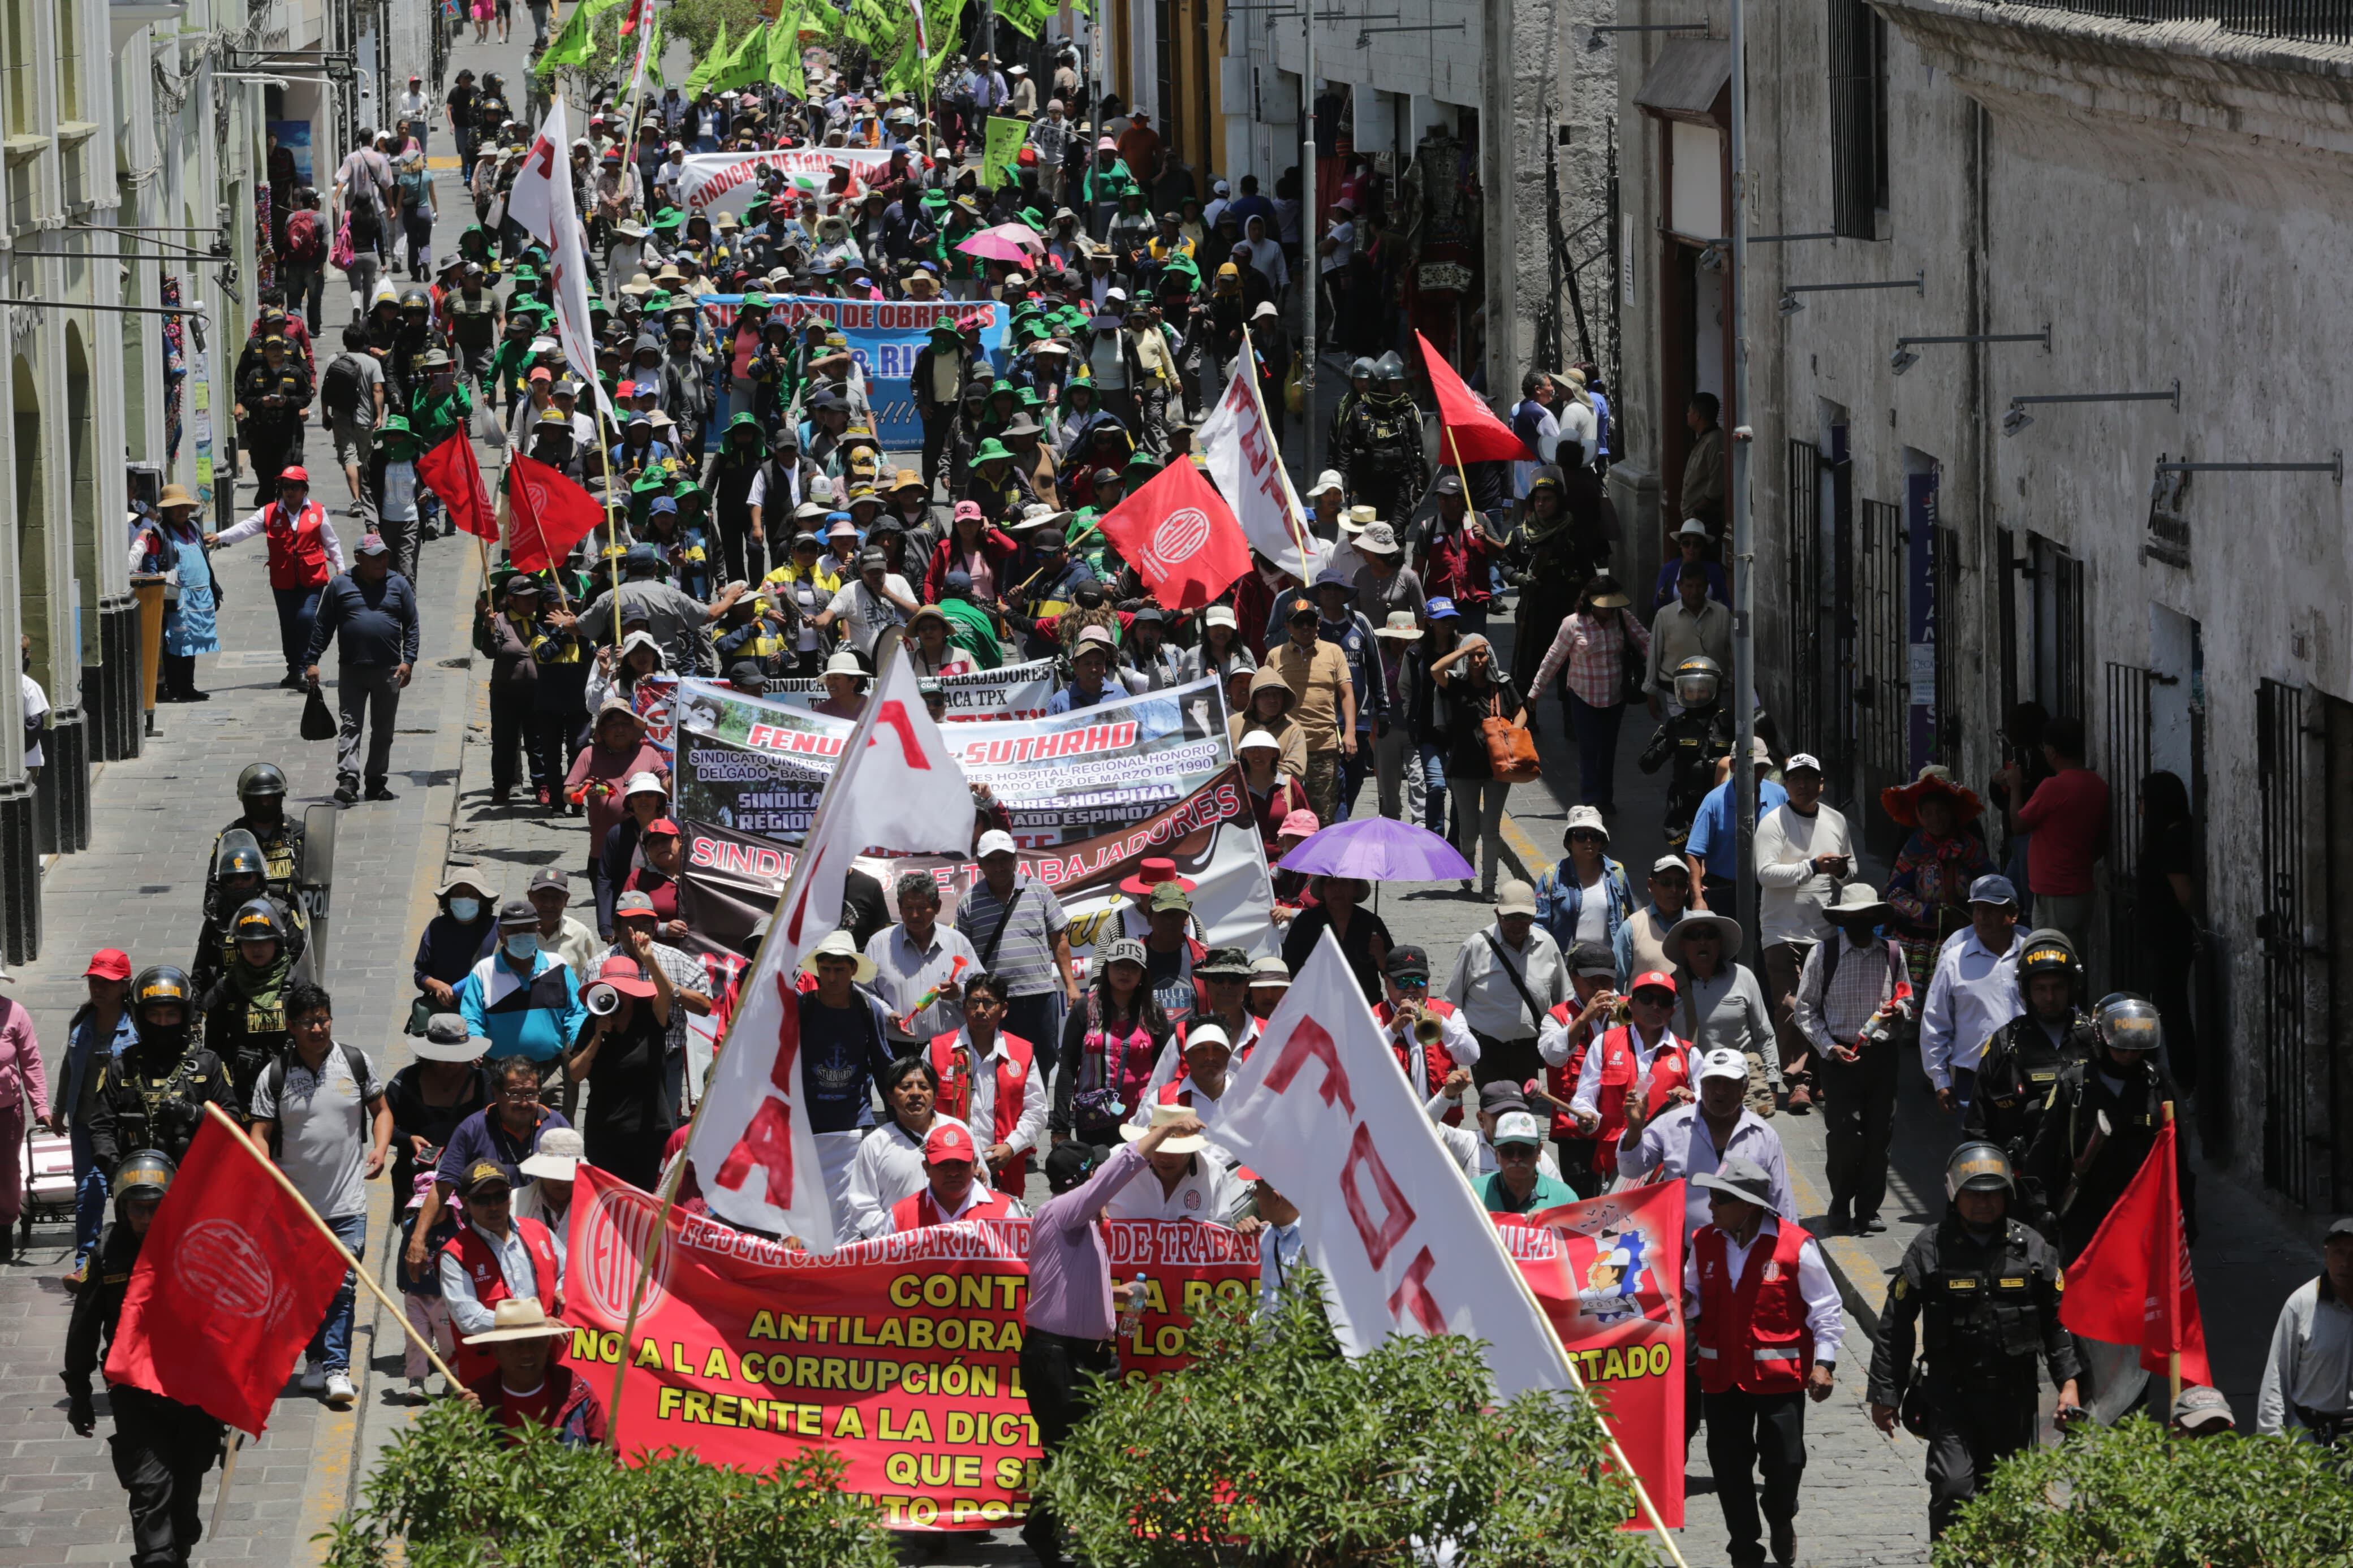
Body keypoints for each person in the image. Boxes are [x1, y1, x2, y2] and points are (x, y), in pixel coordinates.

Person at [1867, 1142, 2082, 1539]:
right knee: (1953, 1489)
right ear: (1954, 1194)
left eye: (1992, 1194)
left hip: (2013, 1402)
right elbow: (1896, 1323)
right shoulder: (1929, 1248)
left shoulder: (2033, 1247)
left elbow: (2059, 1321)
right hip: (1952, 1398)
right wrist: (1885, 1391)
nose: (1983, 1203)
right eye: (1973, 1194)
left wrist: (2069, 1383)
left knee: (2009, 1500)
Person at [1020, 1112, 1208, 1568]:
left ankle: (1051, 1529)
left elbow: (1065, 1288)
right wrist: (1162, 1131)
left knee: (1087, 1448)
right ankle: (1054, 1534)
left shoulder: (1082, 1228)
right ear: (1081, 1183)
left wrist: (1115, 1294)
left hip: (1080, 1355)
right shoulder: (1062, 1210)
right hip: (1058, 1356)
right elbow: (1114, 1172)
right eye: (1094, 1179)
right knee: (1070, 1450)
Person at [62, 1152, 225, 1568]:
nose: (146, 1218)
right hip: (134, 1393)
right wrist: (79, 1391)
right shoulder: (106, 1253)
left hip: (192, 1393)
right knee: (150, 1490)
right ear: (122, 1207)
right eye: (137, 1208)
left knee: (185, 1498)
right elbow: (84, 1327)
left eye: (156, 1207)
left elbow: (227, 1324)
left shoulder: (201, 1246)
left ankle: (179, 1547)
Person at [1686, 1155, 1842, 1568]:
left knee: (1786, 1462)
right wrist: (1685, 1303)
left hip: (1780, 1381)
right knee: (1729, 1467)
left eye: (1720, 1198)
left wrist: (1824, 1363)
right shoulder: (1703, 1242)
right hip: (1721, 1379)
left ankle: (1780, 1514)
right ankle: (1744, 1549)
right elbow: (1692, 1297)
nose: (1710, 1206)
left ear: (1749, 1205)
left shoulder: (1795, 1245)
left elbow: (1825, 1309)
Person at [247, 980, 389, 1408]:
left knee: (341, 1286)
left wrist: (380, 1149)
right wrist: (266, 1169)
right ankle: (314, 1360)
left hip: (348, 1203)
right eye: (308, 1021)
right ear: (291, 1025)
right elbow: (259, 1131)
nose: (318, 1028)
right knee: (307, 1289)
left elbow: (381, 1111)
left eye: (323, 1018)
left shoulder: (355, 1062)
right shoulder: (273, 1074)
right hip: (296, 1207)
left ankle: (337, 1368)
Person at [2026, 995, 2194, 1266]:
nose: (2129, 1056)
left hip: (2144, 1213)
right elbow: (2044, 1150)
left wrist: (2187, 1214)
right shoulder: (2075, 1084)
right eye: (2121, 1048)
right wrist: (2041, 1207)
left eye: (2135, 1049)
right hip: (2087, 1213)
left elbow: (2179, 1154)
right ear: (2101, 1040)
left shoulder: (2157, 1083)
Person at [1792, 885, 1914, 1235]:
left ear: (1876, 919)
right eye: (1853, 918)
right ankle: (1840, 1202)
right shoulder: (1824, 954)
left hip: (1883, 1058)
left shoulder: (1892, 953)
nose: (1860, 924)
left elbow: (1906, 996)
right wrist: (1829, 1048)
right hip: (1839, 1058)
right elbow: (1805, 1010)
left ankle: (1868, 1209)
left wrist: (1900, 1012)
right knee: (1845, 1136)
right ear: (1843, 920)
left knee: (1880, 1137)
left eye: (1867, 917)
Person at [1962, 928, 2094, 1228]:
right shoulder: (2005, 1044)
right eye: (2040, 989)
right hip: (2023, 1185)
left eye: (2058, 988)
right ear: (2026, 991)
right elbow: (1977, 1126)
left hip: (2085, 1180)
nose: (2049, 998)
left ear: (2072, 988)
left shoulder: (2095, 1039)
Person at [1754, 752, 1852, 1113]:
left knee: (1823, 1004)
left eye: (1809, 778)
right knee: (1791, 1004)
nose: (1802, 784)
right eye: (1795, 778)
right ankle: (1798, 1081)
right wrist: (1812, 866)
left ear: (1821, 784)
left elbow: (1851, 871)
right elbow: (1765, 874)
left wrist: (1840, 870)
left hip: (1824, 929)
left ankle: (1820, 1076)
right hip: (1781, 930)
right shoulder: (1773, 822)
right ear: (1786, 784)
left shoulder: (1837, 821)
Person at [1618, 1047, 1796, 1246]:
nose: (1720, 1090)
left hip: (1746, 1256)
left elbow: (1782, 1203)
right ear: (1701, 1084)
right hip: (1684, 1255)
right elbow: (1630, 1169)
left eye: (1729, 1083)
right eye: (1713, 1082)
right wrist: (1635, 1128)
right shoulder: (1670, 1125)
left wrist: (1788, 1253)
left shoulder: (1764, 1136)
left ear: (1745, 1088)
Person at [1545, 966, 1690, 1199]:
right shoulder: (1604, 1043)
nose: (1655, 1005)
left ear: (1672, 1011)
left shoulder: (1688, 1054)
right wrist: (1586, 1117)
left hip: (1667, 1169)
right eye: (1646, 998)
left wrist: (1692, 1101)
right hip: (1613, 1166)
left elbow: (1707, 1113)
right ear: (1631, 1005)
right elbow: (1584, 1097)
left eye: (1663, 1001)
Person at [304, 531, 420, 805]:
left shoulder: (399, 584)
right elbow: (323, 625)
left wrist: (409, 660)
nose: (381, 562)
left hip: (390, 670)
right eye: (374, 557)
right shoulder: (340, 585)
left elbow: (412, 625)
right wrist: (312, 661)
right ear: (358, 558)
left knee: (383, 729)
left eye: (384, 556)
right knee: (351, 724)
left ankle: (376, 780)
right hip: (352, 670)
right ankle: (348, 779)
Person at [795, 930, 906, 1214]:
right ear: (818, 969)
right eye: (826, 969)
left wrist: (901, 1120)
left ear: (854, 970)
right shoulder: (801, 1009)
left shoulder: (869, 1010)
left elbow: (884, 1065)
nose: (832, 978)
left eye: (840, 970)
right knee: (809, 1205)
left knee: (850, 1205)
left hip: (855, 1124)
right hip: (808, 1124)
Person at [87, 966, 236, 1173]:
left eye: (171, 1015)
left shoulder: (207, 1063)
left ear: (184, 1016)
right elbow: (101, 1127)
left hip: (197, 1179)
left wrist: (193, 1113)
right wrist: (117, 1171)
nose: (163, 1023)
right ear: (141, 1016)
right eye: (154, 1015)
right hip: (139, 1184)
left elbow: (232, 1120)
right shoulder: (121, 1067)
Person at [208, 465, 344, 689]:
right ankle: (293, 670)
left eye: (294, 487)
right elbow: (245, 529)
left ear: (304, 489)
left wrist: (340, 568)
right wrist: (219, 537)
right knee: (288, 625)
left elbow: (331, 542)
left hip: (313, 577)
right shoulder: (269, 512)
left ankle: (306, 667)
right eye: (285, 487)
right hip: (283, 579)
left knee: (306, 618)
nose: (289, 491)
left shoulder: (317, 511)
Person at [958, 830, 1083, 1075]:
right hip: (991, 1002)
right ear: (980, 864)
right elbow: (963, 953)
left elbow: (1059, 941)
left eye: (1005, 859)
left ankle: (1034, 1113)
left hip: (1039, 996)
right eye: (991, 861)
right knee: (995, 1063)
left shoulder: (1039, 891)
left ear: (1015, 859)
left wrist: (1072, 986)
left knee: (1043, 1060)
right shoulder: (968, 902)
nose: (999, 867)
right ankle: (999, 1114)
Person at [437, 1158, 566, 1388]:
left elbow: (567, 1273)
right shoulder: (454, 1255)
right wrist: (533, 1323)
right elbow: (469, 1318)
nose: (494, 1207)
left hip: (548, 1361)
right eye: (483, 1200)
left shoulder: (539, 1231)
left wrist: (561, 1289)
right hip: (491, 1376)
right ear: (465, 1204)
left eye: (500, 1196)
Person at [1528, 574, 1649, 811]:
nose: (1610, 611)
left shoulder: (1623, 618)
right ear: (1591, 601)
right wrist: (1536, 691)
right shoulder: (1572, 624)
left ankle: (1606, 798)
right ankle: (1591, 799)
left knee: (1608, 749)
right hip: (1583, 697)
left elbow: (1646, 641)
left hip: (1615, 697)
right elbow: (1553, 659)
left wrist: (1659, 670)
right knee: (1589, 750)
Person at [929, 971, 1049, 1198]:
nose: (981, 1010)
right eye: (975, 1002)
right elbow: (925, 1112)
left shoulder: (1022, 1052)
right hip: (950, 1165)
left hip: (1003, 1164)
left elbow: (1037, 1111)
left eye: (989, 1003)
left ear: (1003, 1009)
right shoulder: (937, 1050)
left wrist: (1011, 1147)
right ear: (964, 1006)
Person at [55, 949, 137, 1281]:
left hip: (123, 1125)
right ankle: (85, 1263)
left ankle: (128, 1257)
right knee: (89, 1190)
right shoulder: (82, 1020)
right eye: (94, 981)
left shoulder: (136, 1026)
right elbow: (68, 1066)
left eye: (107, 982)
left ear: (123, 986)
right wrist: (59, 1108)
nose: (98, 988)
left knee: (128, 1190)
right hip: (84, 1122)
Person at [1994, 714, 2107, 951]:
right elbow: (2101, 842)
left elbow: (2018, 824)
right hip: (2081, 888)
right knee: (2073, 958)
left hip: (2054, 891)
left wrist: (2015, 786)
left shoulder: (2054, 787)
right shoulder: (2097, 785)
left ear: (2052, 752)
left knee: (2052, 960)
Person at [563, 954, 674, 1190]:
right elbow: (575, 1074)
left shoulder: (650, 1016)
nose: (617, 995)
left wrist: (649, 959)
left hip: (649, 1134)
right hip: (605, 1134)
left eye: (622, 990)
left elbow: (667, 994)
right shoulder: (594, 1022)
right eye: (612, 989)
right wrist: (597, 1038)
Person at [1883, 765, 1998, 990]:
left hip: (1966, 935)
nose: (1935, 819)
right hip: (1918, 943)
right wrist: (1925, 911)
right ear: (1919, 815)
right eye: (1928, 813)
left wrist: (1970, 914)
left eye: (1941, 812)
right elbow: (1893, 895)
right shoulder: (1914, 847)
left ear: (1952, 811)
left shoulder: (1970, 845)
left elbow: (1992, 886)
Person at [1918, 875, 2026, 1115]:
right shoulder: (1954, 959)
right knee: (1978, 1151)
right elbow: (1935, 1022)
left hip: (2028, 1075)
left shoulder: (2032, 951)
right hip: (1973, 1080)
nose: (1981, 917)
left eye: (1991, 910)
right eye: (1978, 909)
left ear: (2014, 914)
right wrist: (1941, 1080)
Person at [1444, 879, 1567, 1087]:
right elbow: (1451, 1004)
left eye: (1525, 917)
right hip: (1487, 1049)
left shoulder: (1547, 945)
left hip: (1529, 1049)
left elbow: (1564, 999)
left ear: (1534, 916)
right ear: (1498, 914)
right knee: (1496, 1111)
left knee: (1522, 1113)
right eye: (1511, 917)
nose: (1518, 924)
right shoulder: (1476, 946)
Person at [1055, 938, 1176, 1150]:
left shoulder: (1154, 1012)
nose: (1125, 973)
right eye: (1119, 966)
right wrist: (1060, 1126)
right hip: (1092, 1120)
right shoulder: (1085, 1008)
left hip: (1141, 1119)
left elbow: (1165, 1071)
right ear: (1107, 969)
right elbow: (1067, 1067)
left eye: (1133, 968)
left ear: (1143, 974)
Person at [1430, 632, 1525, 893]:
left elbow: (1521, 710)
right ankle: (1467, 868)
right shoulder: (1456, 685)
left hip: (1498, 769)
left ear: (1490, 657)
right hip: (1463, 769)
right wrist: (1465, 649)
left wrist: (1514, 734)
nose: (1476, 660)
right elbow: (1435, 669)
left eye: (1481, 655)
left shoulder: (1502, 685)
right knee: (1469, 832)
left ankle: (1488, 885)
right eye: (1472, 656)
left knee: (1492, 830)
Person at [847, 1056, 971, 1237]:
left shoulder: (959, 1131)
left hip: (954, 1243)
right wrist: (895, 1237)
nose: (915, 1093)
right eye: (905, 1087)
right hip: (900, 1248)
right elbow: (863, 1205)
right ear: (889, 1097)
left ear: (935, 1095)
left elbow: (983, 1185)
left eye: (924, 1087)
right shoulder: (875, 1144)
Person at [2134, 770, 2204, 1091]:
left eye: (2143, 799)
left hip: (2168, 939)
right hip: (2162, 936)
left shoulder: (2173, 840)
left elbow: (2186, 896)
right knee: (2169, 1009)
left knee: (2173, 1012)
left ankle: (2183, 1084)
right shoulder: (2172, 835)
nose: (2140, 806)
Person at [459, 900, 589, 1072]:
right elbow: (471, 1017)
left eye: (528, 929)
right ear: (501, 934)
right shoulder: (484, 971)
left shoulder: (558, 965)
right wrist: (475, 1043)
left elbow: (575, 1012)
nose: (521, 935)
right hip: (500, 1072)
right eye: (514, 931)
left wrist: (578, 1042)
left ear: (538, 929)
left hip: (551, 1070)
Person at [1673, 909, 1781, 1116]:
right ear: (1683, 945)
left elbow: (1764, 1035)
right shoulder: (1671, 985)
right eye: (1694, 936)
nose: (1702, 942)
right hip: (1690, 1089)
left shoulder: (1743, 977)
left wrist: (1773, 1084)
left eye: (1709, 935)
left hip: (1738, 1088)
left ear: (1720, 942)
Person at [2255, 1216, 2353, 1442]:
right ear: (2326, 1254)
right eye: (2338, 1252)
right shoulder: (2302, 1304)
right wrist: (2272, 1442)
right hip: (2313, 1440)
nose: (2346, 1263)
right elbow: (2277, 1378)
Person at [462, 1298, 606, 1445]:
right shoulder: (476, 1399)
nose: (527, 1353)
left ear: (548, 1345)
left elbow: (607, 1454)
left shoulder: (576, 1390)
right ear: (497, 1350)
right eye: (516, 1345)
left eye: (536, 1343)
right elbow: (457, 1455)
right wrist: (462, 1423)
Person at [865, 871, 982, 1051]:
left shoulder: (958, 942)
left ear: (937, 906)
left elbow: (981, 990)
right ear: (899, 906)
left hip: (948, 1048)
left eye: (922, 908)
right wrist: (888, 1013)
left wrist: (959, 992)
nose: (914, 915)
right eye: (908, 908)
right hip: (895, 1048)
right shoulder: (879, 943)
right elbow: (864, 992)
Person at [1266, 594, 1356, 824]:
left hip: (1323, 746)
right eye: (1299, 622)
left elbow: (1347, 694)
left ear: (1318, 623)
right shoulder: (1275, 656)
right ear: (1288, 627)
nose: (1305, 627)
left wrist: (1350, 732)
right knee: (1285, 813)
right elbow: (1265, 699)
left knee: (1323, 815)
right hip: (1285, 750)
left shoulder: (1334, 652)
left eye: (1310, 621)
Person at [1533, 805, 1634, 961]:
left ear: (1602, 842)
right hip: (1566, 966)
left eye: (1595, 836)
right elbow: (1540, 925)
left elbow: (1631, 920)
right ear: (1569, 842)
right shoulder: (1552, 875)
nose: (1589, 841)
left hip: (1607, 966)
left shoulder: (1616, 872)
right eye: (1580, 835)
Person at [890, 1121, 1028, 1232]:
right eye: (943, 1164)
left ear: (975, 1164)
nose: (953, 1172)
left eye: (961, 1163)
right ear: (927, 1168)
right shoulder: (899, 1217)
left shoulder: (1005, 1212)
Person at [1279, 875, 1392, 1005]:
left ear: (1356, 889)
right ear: (1323, 890)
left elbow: (1393, 974)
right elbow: (1289, 970)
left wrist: (1380, 955)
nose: (1337, 889)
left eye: (1345, 882)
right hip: (1316, 1007)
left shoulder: (1372, 923)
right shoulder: (1305, 922)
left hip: (1365, 1008)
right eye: (1331, 883)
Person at [1615, 854, 1694, 988]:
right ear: (1651, 885)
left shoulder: (1696, 927)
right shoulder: (1632, 927)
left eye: (1680, 884)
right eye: (1666, 883)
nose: (1674, 890)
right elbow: (1615, 983)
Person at [1481, 1110, 1578, 1214]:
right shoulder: (1472, 1194)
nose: (1516, 1158)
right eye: (1507, 1151)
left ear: (1539, 1152)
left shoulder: (1564, 1198)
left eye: (1525, 1151)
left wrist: (1553, 1220)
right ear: (1496, 1154)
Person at [1679, 391, 1725, 535]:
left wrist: (1699, 510)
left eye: (1690, 412)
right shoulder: (1704, 440)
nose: (1687, 415)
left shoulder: (1714, 441)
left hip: (1704, 522)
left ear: (1698, 415)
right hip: (1694, 520)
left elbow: (1716, 484)